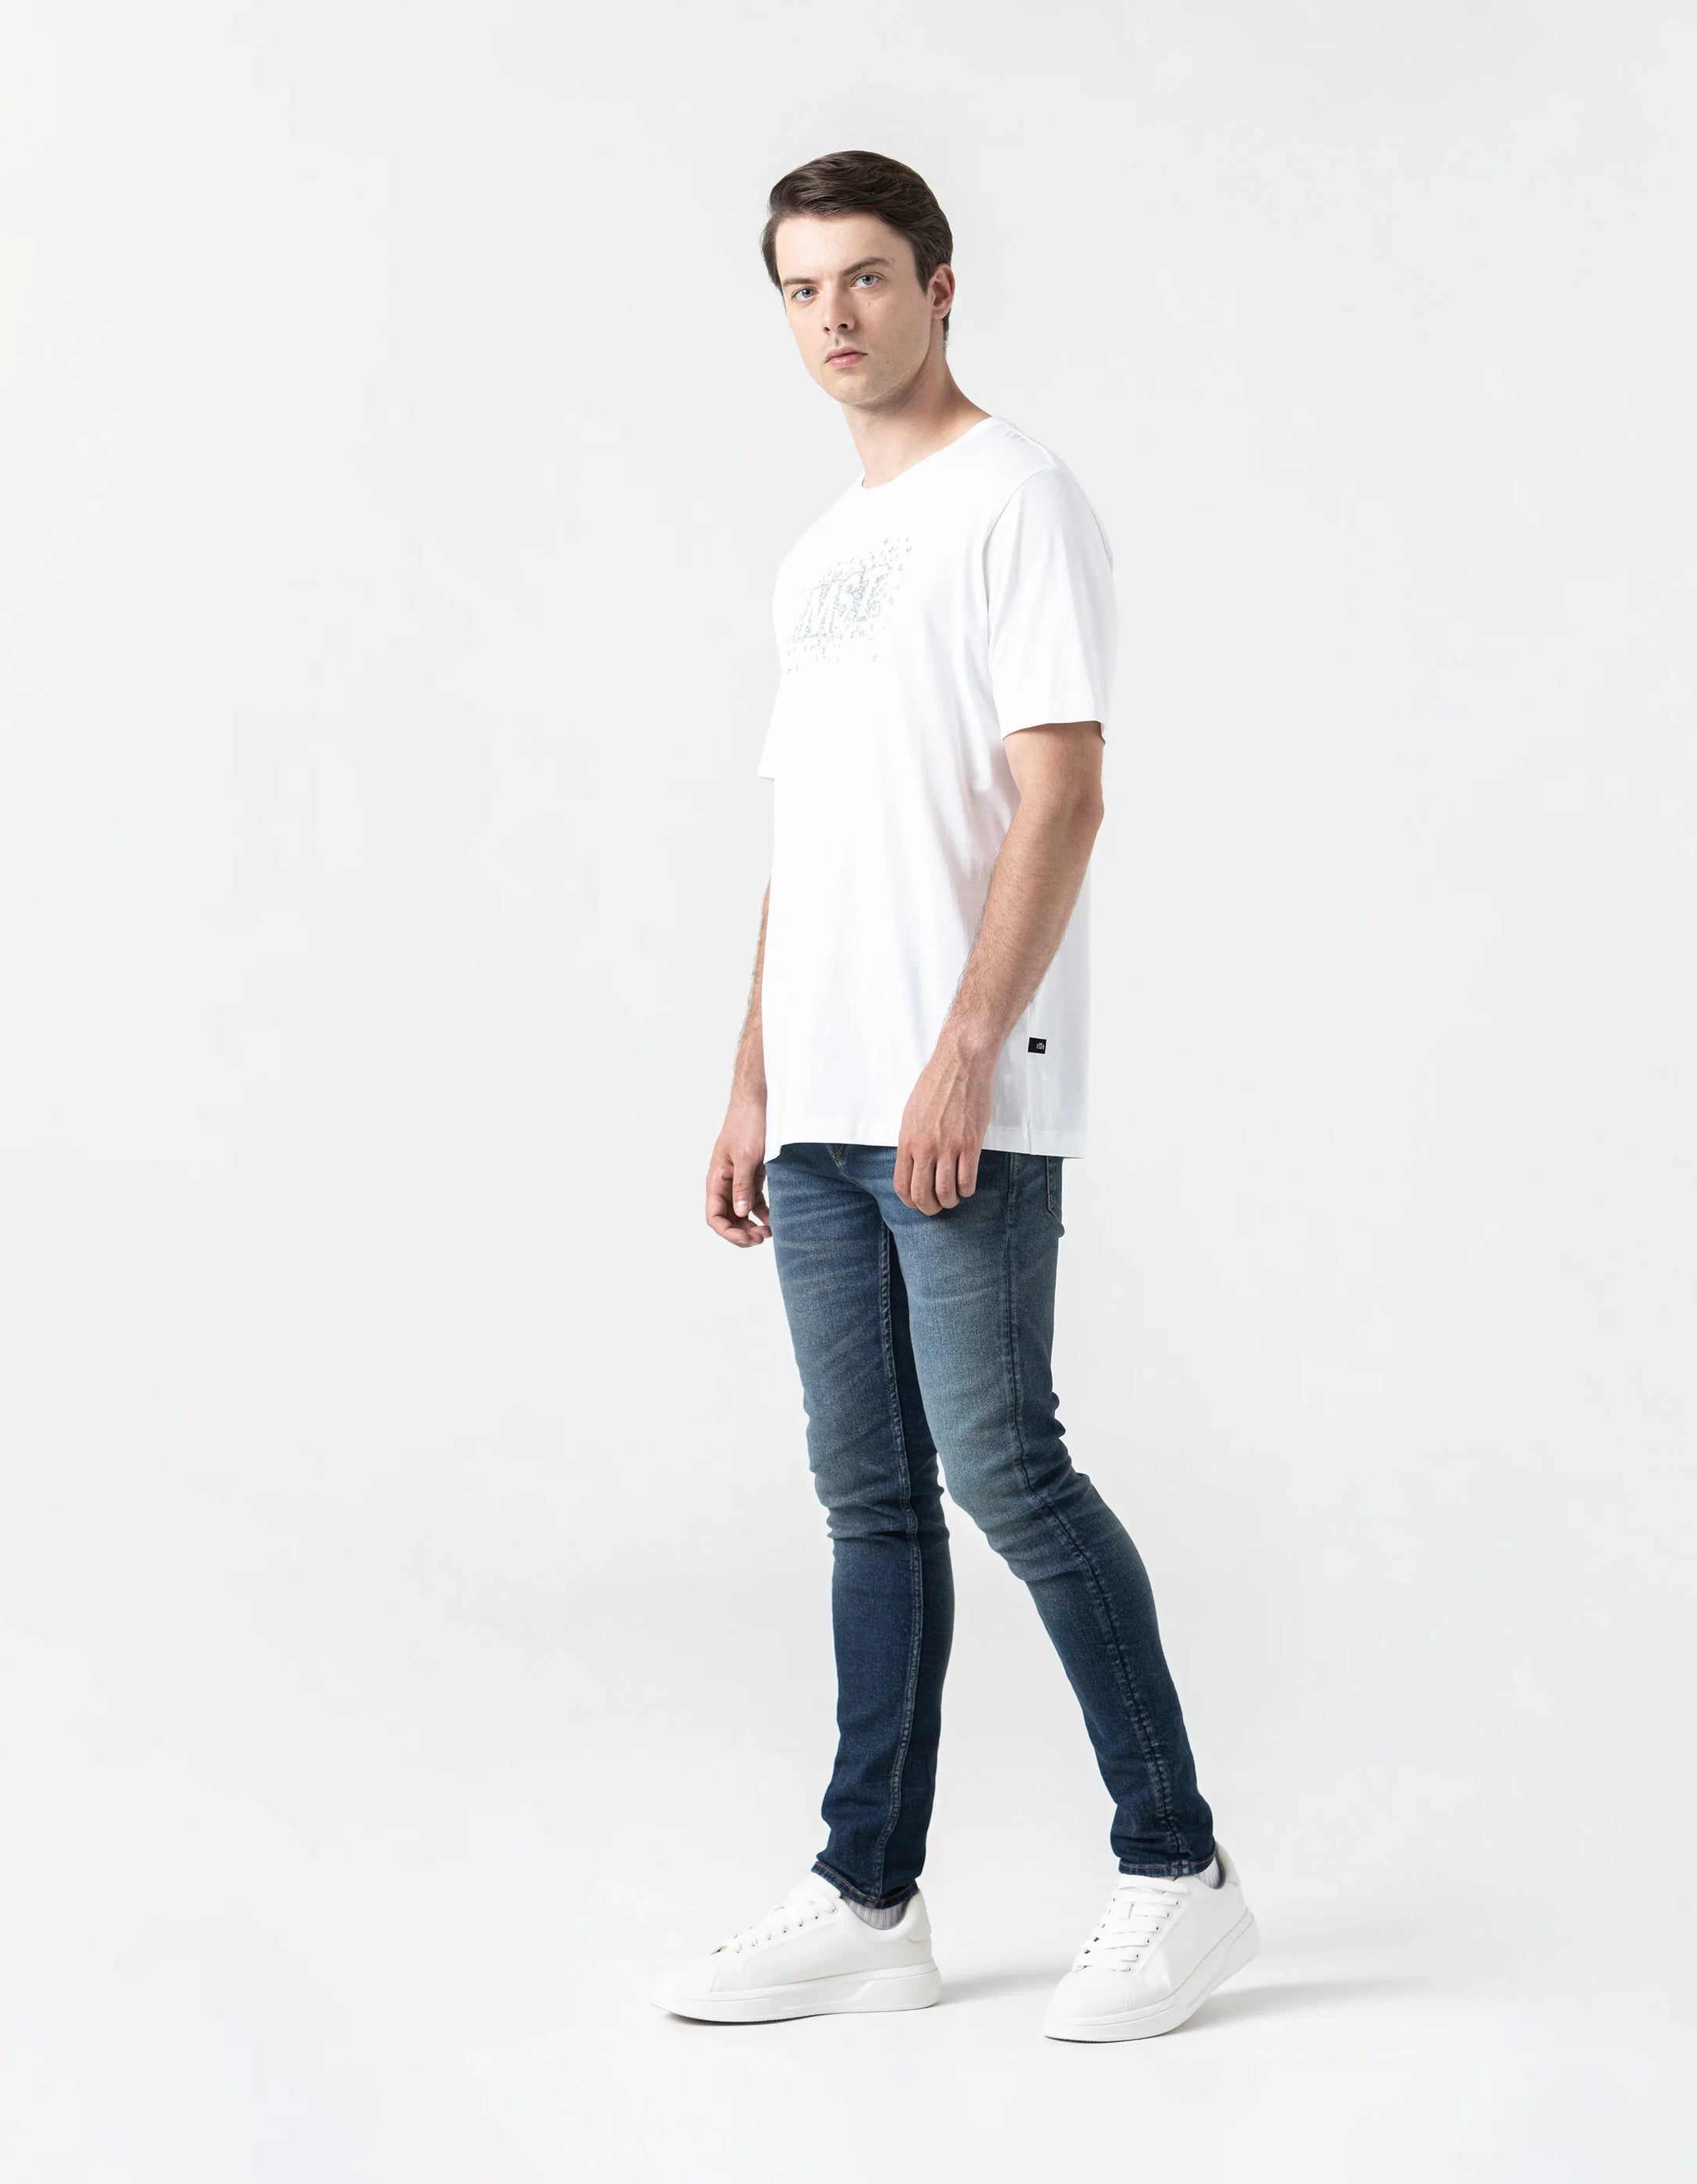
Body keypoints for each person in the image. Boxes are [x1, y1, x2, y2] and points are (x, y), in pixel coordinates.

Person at [650, 150, 1255, 2044]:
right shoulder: (816, 555)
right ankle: (867, 1896)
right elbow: (807, 839)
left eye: (864, 276)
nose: (832, 315)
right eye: (799, 287)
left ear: (936, 286)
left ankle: (1177, 1869)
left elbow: (1062, 791)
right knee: (866, 1498)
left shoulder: (1016, 499)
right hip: (820, 1100)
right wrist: (751, 1076)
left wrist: (965, 1047)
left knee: (1005, 1467)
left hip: (952, 1090)